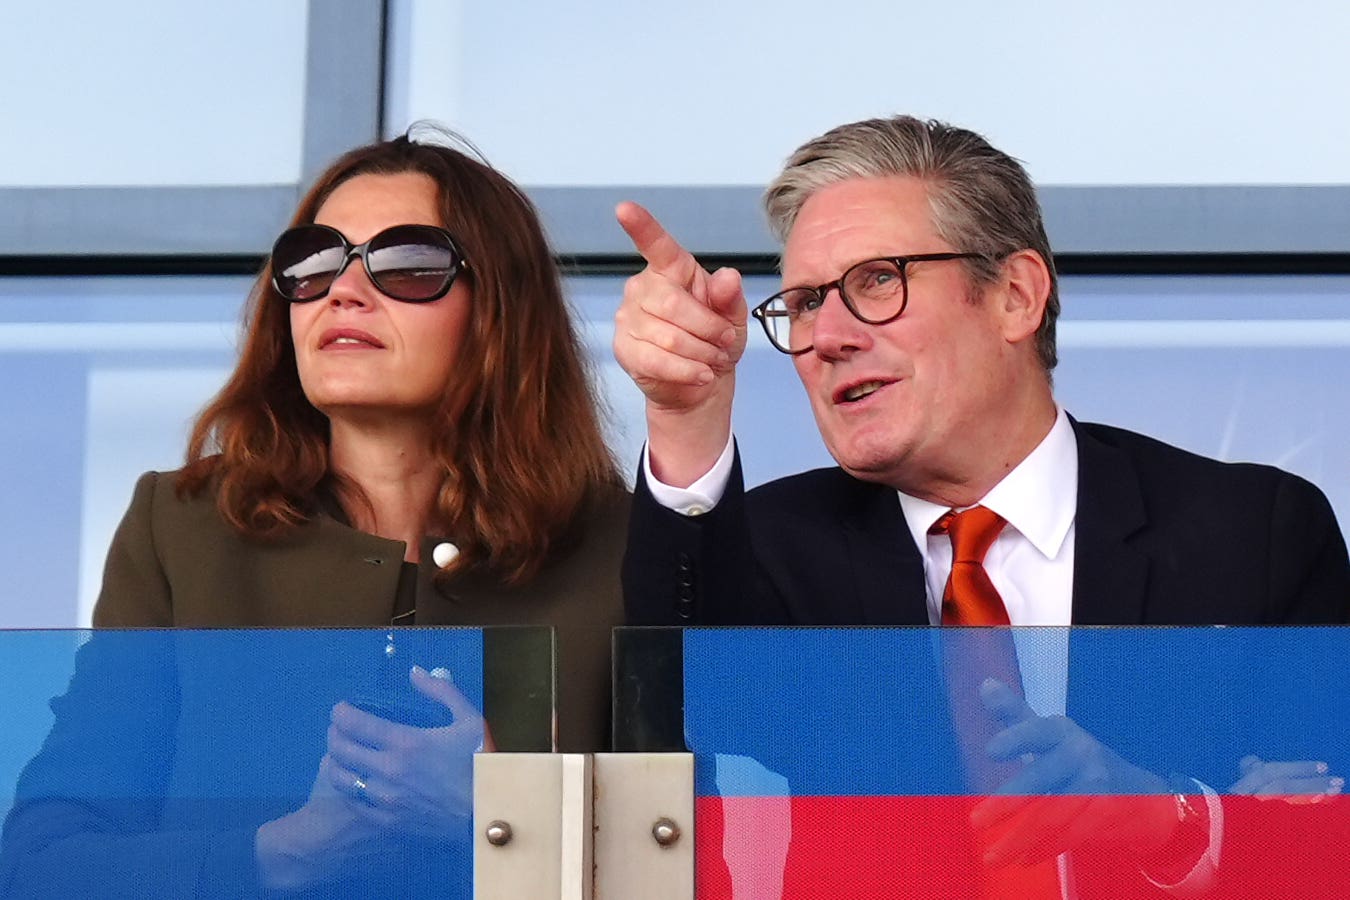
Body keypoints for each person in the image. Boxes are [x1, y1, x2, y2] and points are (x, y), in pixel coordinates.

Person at [614, 115, 1350, 897]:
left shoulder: (1250, 530)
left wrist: (1166, 817)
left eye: (876, 281)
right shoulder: (773, 545)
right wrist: (685, 414)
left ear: (1015, 296)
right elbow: (681, 696)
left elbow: (1323, 839)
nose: (826, 335)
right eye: (801, 303)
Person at [2, 127, 627, 897]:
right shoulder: (183, 525)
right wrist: (277, 856)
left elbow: (696, 862)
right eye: (314, 261)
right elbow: (43, 859)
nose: (344, 289)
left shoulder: (617, 546)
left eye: (407, 264)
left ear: (500, 306)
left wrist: (501, 809)